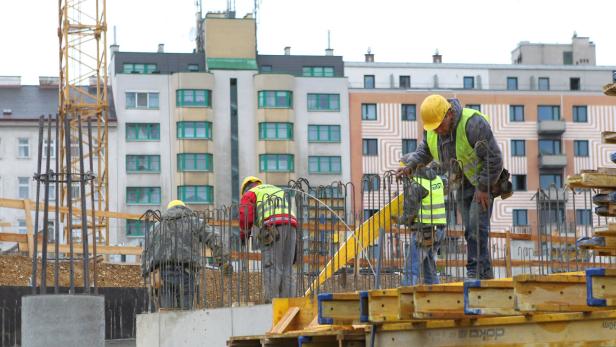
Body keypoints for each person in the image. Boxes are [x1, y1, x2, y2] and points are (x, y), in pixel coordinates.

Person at [398, 95, 506, 280]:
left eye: (440, 125)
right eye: (434, 127)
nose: (438, 130)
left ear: (450, 113)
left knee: (475, 227)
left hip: (482, 182)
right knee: (470, 229)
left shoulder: (472, 124)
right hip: (461, 182)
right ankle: (485, 276)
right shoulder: (433, 131)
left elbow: (494, 158)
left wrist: (483, 187)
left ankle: (474, 271)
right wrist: (410, 166)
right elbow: (425, 151)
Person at [142, 200, 224, 310]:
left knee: (168, 316)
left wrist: (146, 274)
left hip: (163, 275)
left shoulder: (156, 227)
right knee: (186, 315)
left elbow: (146, 252)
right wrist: (222, 260)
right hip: (186, 273)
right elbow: (215, 238)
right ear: (184, 208)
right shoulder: (195, 223)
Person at [239, 176, 297, 303]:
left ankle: (271, 305)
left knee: (272, 266)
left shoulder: (250, 194)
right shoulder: (277, 190)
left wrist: (244, 236)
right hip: (291, 226)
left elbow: (246, 216)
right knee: (287, 267)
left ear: (245, 188)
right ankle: (289, 305)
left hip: (273, 227)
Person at [399, 163, 446, 285]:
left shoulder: (416, 185)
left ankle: (406, 296)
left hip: (425, 232)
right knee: (429, 266)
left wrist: (399, 220)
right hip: (439, 230)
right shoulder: (438, 180)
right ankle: (435, 295)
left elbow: (410, 213)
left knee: (411, 267)